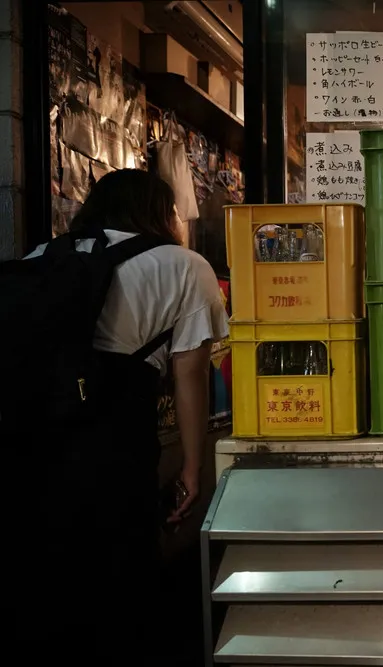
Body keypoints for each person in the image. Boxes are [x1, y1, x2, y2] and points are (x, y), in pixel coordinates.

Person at [13, 170, 229, 659]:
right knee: (121, 568)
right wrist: (194, 469)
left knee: (49, 570)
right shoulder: (183, 265)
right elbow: (190, 377)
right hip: (115, 437)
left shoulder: (45, 256)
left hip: (35, 440)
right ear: (159, 211)